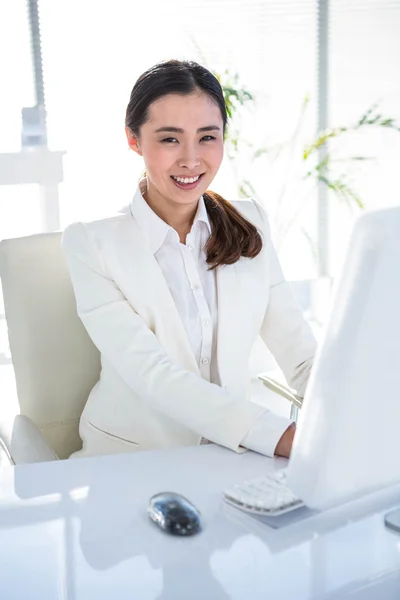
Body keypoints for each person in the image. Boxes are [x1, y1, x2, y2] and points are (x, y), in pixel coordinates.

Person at [61, 59, 317, 460]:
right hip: (128, 461)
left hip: (227, 458)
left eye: (207, 137)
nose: (191, 159)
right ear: (133, 140)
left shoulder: (249, 222)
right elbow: (152, 374)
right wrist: (278, 435)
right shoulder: (91, 243)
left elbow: (300, 354)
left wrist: (349, 415)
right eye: (169, 139)